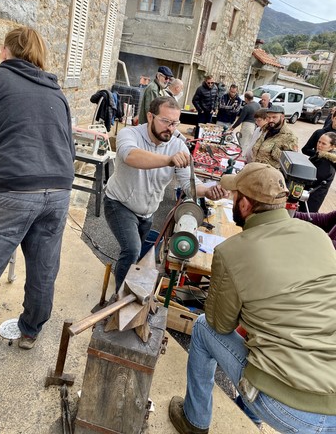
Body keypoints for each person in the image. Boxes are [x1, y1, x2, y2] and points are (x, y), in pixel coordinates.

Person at [169, 163, 336, 434]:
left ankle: (194, 422)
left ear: (245, 205)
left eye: (234, 196)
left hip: (289, 405)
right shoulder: (319, 236)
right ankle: (251, 416)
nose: (232, 200)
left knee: (202, 328)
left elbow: (220, 325)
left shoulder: (232, 251)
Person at [0, 27, 75, 349]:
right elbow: (68, 148)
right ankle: (30, 331)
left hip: (13, 190)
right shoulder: (55, 90)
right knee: (44, 270)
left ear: (5, 50)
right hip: (58, 191)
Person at [104, 96, 227, 291]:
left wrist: (208, 191)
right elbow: (130, 156)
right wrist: (169, 160)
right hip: (119, 203)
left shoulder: (177, 145)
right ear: (150, 116)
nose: (170, 128)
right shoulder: (130, 133)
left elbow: (188, 184)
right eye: (165, 121)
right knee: (132, 249)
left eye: (174, 123)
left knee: (136, 254)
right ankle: (118, 300)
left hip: (147, 212)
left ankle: (125, 280)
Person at [298, 132, 336, 213]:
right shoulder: (319, 155)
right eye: (319, 142)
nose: (319, 145)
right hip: (305, 197)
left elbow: (312, 180)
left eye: (324, 144)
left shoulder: (326, 163)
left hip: (309, 202)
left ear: (332, 147)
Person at [252, 105, 298, 169]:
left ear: (282, 117)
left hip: (271, 175)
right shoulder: (266, 129)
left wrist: (275, 151)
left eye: (274, 117)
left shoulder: (289, 137)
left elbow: (289, 162)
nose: (271, 120)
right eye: (269, 117)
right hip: (255, 169)